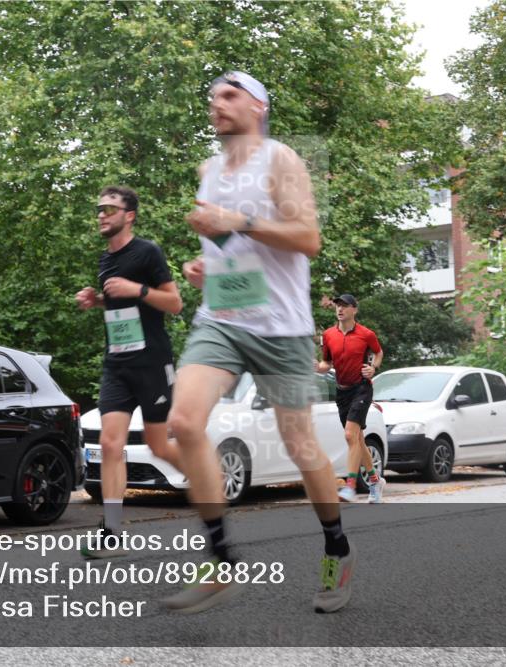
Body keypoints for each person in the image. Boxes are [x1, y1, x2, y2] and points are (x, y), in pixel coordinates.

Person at [163, 71, 354, 614]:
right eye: (212, 96)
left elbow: (308, 239)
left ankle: (337, 547)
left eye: (229, 95)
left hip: (281, 327)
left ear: (258, 105)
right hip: (222, 319)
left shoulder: (280, 161)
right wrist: (205, 270)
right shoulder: (208, 171)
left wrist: (239, 221)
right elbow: (231, 255)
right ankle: (221, 560)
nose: (216, 103)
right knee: (184, 422)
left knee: (300, 447)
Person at [75, 186, 185, 559]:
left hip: (152, 362)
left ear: (129, 216)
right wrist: (99, 300)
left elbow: (174, 303)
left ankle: (206, 479)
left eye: (109, 208)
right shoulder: (106, 259)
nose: (102, 214)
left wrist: (136, 289)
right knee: (110, 444)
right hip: (117, 364)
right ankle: (112, 533)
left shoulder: (147, 252)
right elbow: (120, 301)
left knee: (157, 444)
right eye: (98, 209)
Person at [316, 294, 386, 502]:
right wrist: (316, 368)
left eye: (345, 306)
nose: (340, 309)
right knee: (357, 439)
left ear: (354, 310)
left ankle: (350, 486)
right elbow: (326, 363)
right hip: (342, 391)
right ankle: (375, 481)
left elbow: (379, 353)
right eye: (338, 305)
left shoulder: (366, 334)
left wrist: (373, 367)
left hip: (361, 389)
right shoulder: (329, 335)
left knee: (349, 436)